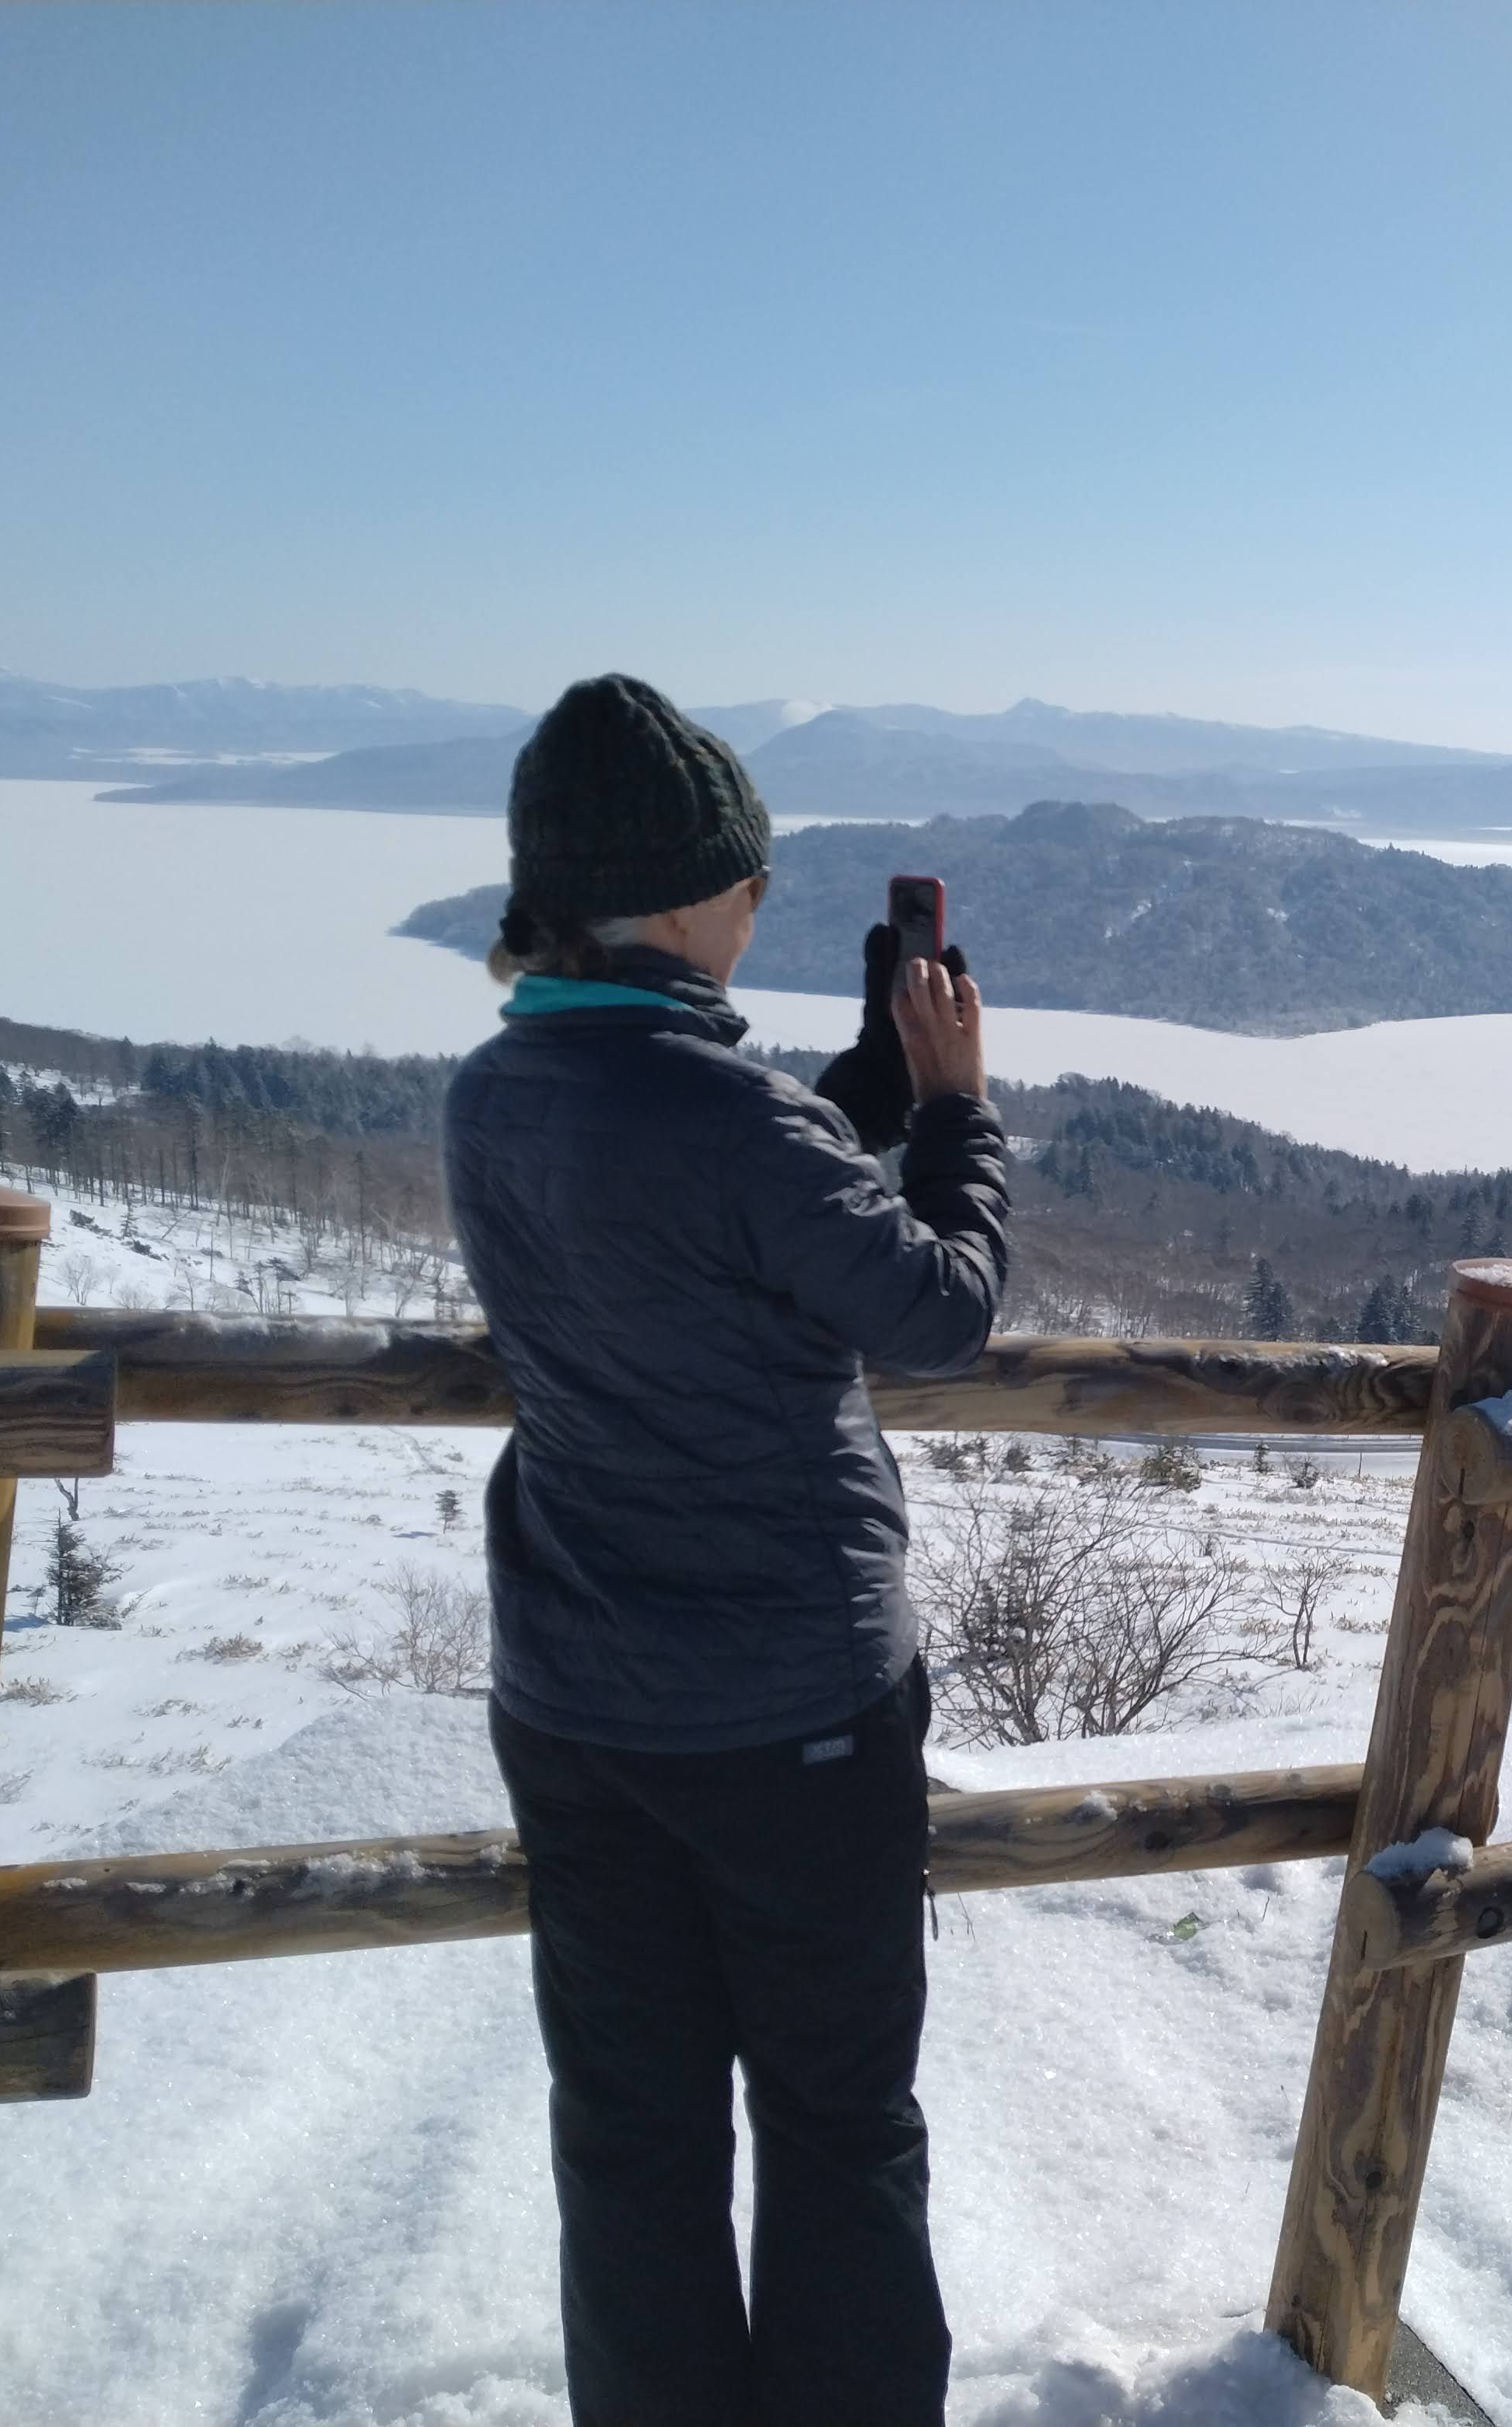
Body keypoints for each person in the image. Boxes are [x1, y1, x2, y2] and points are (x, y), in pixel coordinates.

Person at [443, 674, 1006, 2427]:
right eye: (747, 878)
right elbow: (936, 1310)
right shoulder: (730, 1121)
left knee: (632, 2128)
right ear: (684, 895)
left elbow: (712, 1191)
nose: (758, 904)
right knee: (838, 2127)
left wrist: (851, 1089)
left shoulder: (495, 1089)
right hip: (789, 1709)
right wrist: (959, 1114)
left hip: (575, 1700)